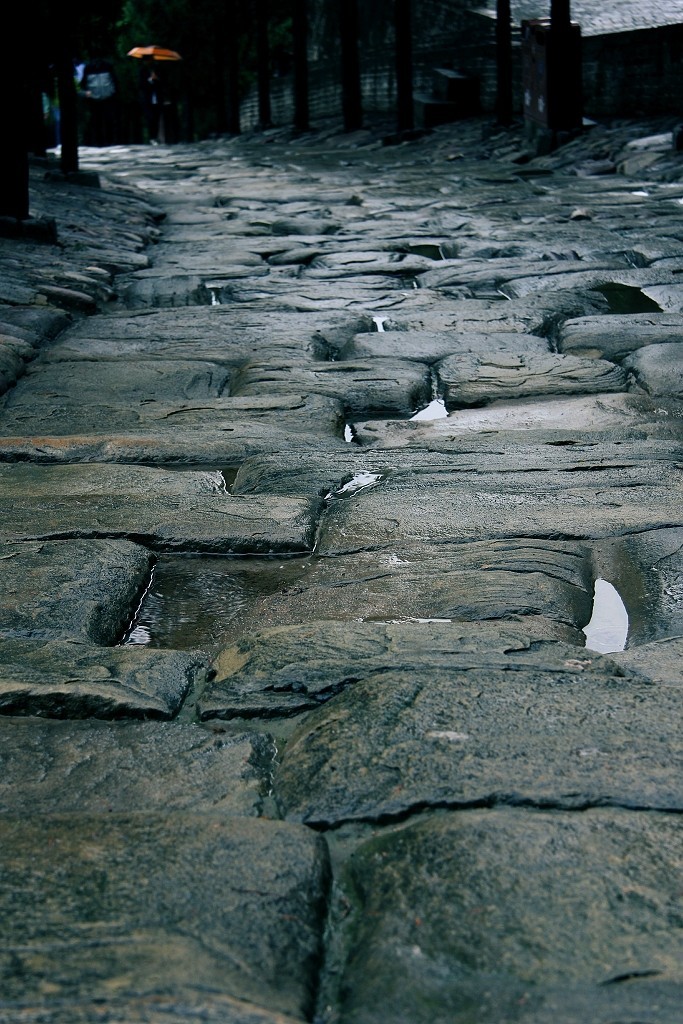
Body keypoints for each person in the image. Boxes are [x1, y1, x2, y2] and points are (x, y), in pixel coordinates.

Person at [81, 55, 118, 146]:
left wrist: (112, 92)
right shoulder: (88, 68)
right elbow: (83, 84)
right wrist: (86, 93)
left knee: (107, 120)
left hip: (106, 98)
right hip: (95, 99)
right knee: (97, 121)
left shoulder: (107, 66)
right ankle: (100, 142)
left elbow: (115, 81)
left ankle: (108, 141)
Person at [139, 56, 166, 144]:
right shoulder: (143, 71)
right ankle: (152, 137)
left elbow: (163, 82)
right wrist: (150, 80)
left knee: (157, 117)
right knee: (150, 118)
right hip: (148, 98)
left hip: (157, 97)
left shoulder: (158, 69)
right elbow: (141, 85)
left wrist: (156, 79)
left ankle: (156, 136)